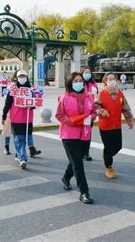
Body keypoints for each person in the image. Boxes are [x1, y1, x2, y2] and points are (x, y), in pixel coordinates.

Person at [56, 72, 97, 204]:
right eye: (76, 81)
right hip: (69, 134)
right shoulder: (64, 98)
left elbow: (94, 112)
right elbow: (59, 115)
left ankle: (66, 177)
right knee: (78, 164)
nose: (79, 83)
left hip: (85, 133)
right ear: (71, 83)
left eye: (80, 80)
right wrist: (71, 121)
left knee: (76, 160)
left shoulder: (89, 97)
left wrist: (92, 117)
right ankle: (84, 192)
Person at [95, 72, 135, 179]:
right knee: (108, 146)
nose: (112, 80)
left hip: (117, 124)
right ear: (105, 81)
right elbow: (94, 107)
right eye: (109, 79)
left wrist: (130, 120)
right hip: (105, 125)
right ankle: (109, 167)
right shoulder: (101, 93)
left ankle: (106, 155)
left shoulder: (120, 93)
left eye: (113, 78)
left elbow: (125, 108)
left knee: (118, 146)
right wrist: (102, 111)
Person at [2, 70, 41, 169]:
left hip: (28, 119)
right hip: (16, 118)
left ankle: (18, 155)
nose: (22, 78)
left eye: (24, 76)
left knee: (24, 139)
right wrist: (4, 115)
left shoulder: (32, 90)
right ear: (17, 78)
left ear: (27, 78)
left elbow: (36, 102)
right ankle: (23, 158)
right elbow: (7, 103)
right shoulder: (13, 89)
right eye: (20, 76)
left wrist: (30, 106)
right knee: (19, 139)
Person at [81, 67, 98, 161]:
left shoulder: (94, 84)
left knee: (87, 133)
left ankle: (86, 152)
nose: (87, 74)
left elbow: (97, 97)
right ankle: (80, 151)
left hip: (90, 113)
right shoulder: (79, 83)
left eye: (88, 72)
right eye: (85, 72)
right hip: (80, 112)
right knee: (79, 132)